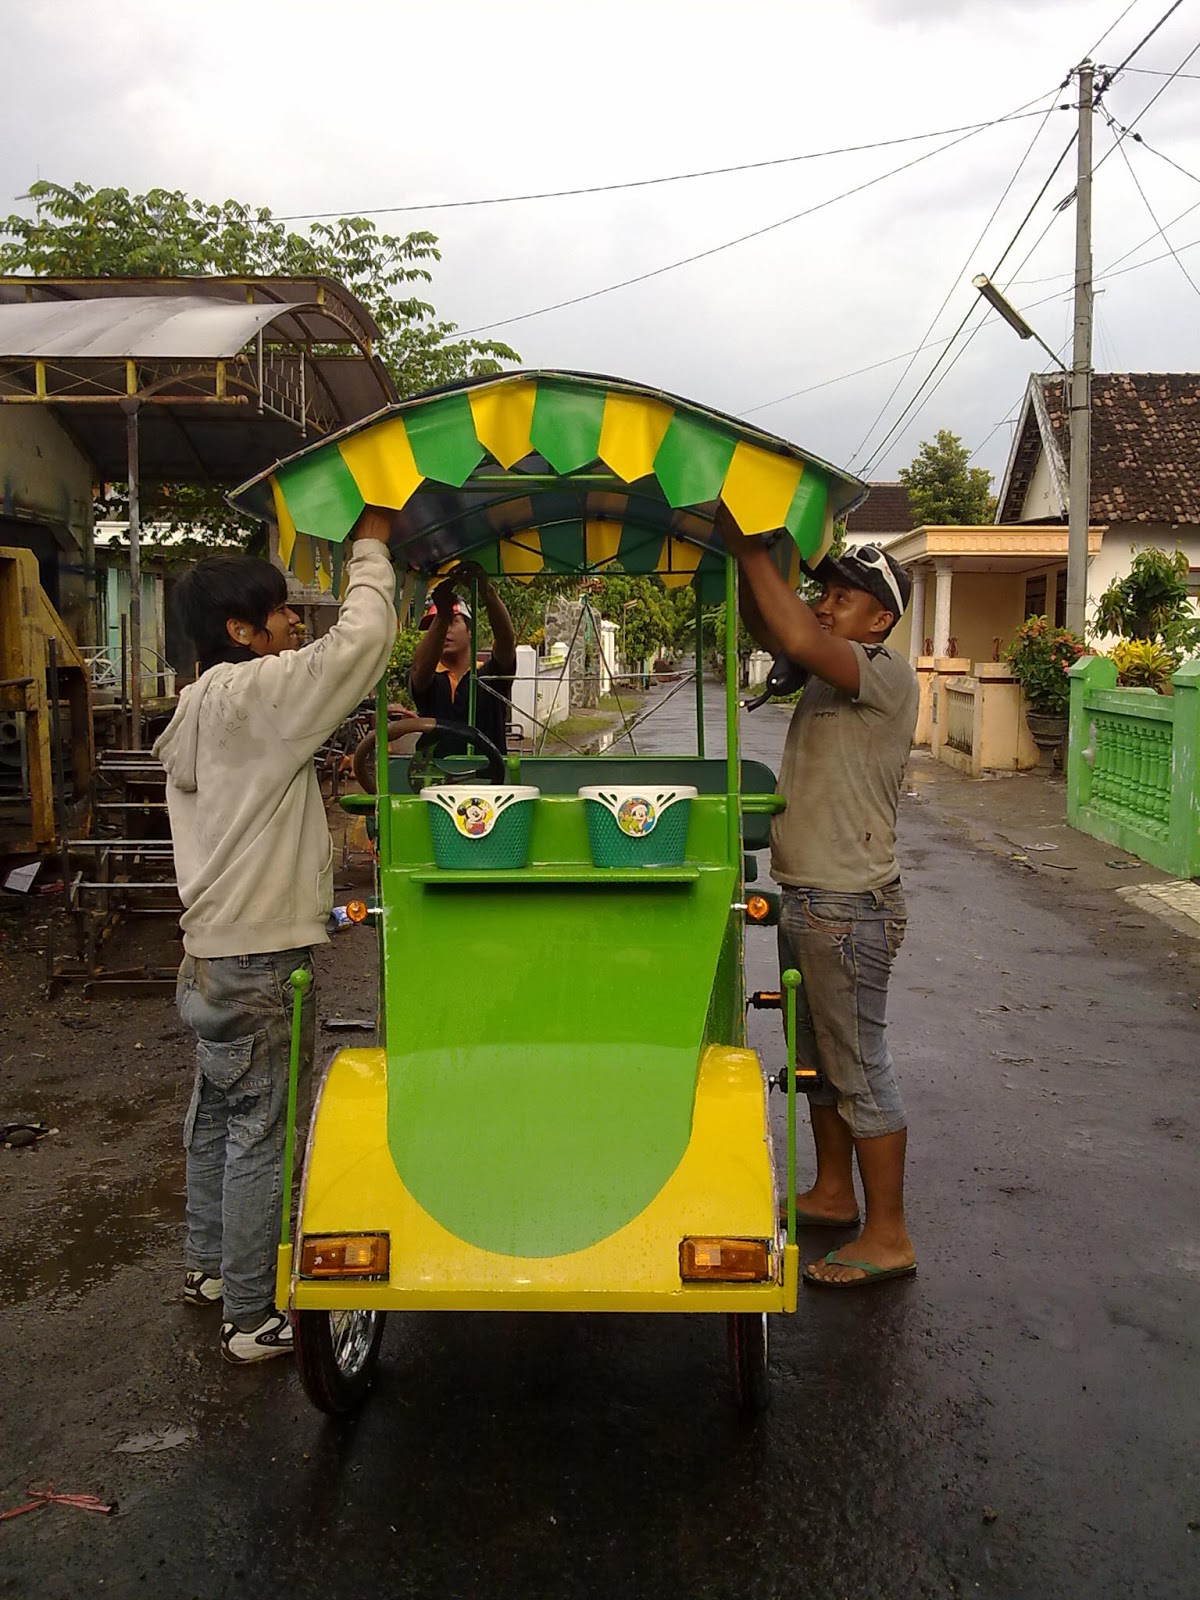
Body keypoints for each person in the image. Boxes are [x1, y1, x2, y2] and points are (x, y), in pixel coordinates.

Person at [154, 506, 396, 1362]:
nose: (298, 624)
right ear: (241, 631)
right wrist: (371, 545)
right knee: (262, 1128)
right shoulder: (258, 693)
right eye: (283, 613)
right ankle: (253, 1318)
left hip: (209, 956)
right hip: (259, 958)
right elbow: (361, 645)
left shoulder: (198, 705)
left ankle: (212, 1270)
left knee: (216, 1115)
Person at [718, 506, 919, 1289]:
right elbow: (777, 630)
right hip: (811, 898)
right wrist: (751, 563)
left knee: (860, 1068)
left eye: (842, 596)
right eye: (824, 592)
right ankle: (835, 1194)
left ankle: (891, 1235)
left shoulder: (883, 672)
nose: (826, 605)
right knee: (819, 1065)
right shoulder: (832, 668)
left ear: (881, 616)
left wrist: (744, 544)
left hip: (847, 906)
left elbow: (796, 637)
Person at [408, 562, 516, 759]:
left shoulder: (489, 676)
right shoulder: (429, 679)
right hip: (434, 780)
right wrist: (442, 614)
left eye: (452, 621)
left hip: (488, 781)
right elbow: (419, 670)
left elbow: (506, 641)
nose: (444, 630)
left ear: (470, 630)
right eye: (435, 625)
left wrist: (487, 592)